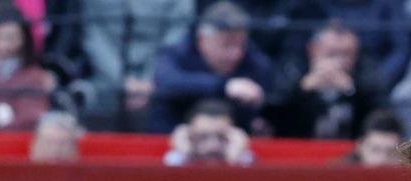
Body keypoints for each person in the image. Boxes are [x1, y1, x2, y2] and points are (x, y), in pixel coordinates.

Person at [147, 1, 273, 133]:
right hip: (170, 139)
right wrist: (223, 86)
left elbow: (268, 84)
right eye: (227, 45)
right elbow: (166, 82)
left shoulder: (253, 61)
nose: (235, 54)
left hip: (235, 145)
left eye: (241, 45)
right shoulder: (177, 54)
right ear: (202, 40)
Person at [76, 0, 192, 129]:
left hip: (162, 76)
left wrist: (150, 77)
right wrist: (121, 80)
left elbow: (177, 32)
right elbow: (93, 34)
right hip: (105, 77)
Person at [267, 18, 382, 140]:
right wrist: (302, 90)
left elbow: (380, 116)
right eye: (331, 54)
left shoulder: (367, 72)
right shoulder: (292, 68)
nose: (339, 62)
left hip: (352, 152)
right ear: (313, 50)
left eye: (346, 54)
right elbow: (273, 118)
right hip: (298, 150)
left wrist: (350, 91)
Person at [162, 94, 255, 161]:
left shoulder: (243, 160)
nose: (212, 147)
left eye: (221, 137)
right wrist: (184, 152)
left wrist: (235, 155)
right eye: (203, 137)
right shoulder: (177, 159)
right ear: (189, 136)